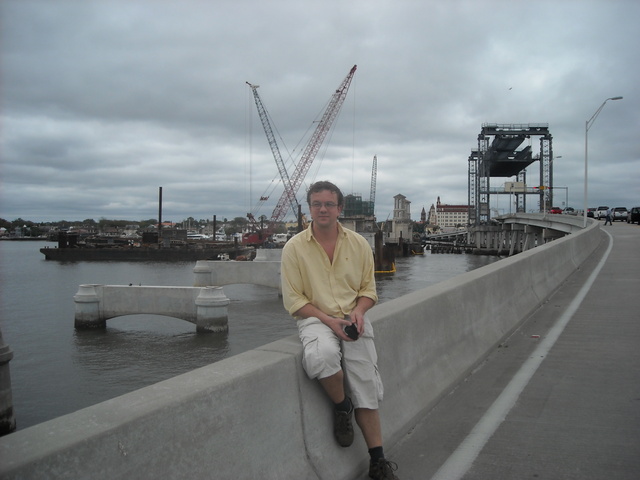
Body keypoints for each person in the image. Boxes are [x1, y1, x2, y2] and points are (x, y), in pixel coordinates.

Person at [281, 181, 399, 480]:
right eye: (317, 204)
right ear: (309, 209)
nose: (323, 209)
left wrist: (359, 311)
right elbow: (294, 301)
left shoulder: (358, 244)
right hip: (315, 317)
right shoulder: (294, 248)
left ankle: (378, 461)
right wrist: (329, 320)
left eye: (329, 204)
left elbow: (368, 291)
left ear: (339, 209)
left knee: (366, 387)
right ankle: (342, 406)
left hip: (352, 316)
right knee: (321, 356)